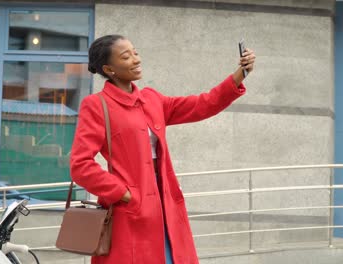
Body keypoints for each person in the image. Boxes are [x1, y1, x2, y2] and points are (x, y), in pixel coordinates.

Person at [70, 34, 255, 264]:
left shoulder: (151, 99)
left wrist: (239, 76)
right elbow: (80, 165)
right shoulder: (97, 105)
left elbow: (202, 104)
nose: (136, 59)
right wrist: (125, 194)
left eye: (135, 52)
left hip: (167, 208)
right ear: (109, 69)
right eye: (126, 57)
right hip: (130, 215)